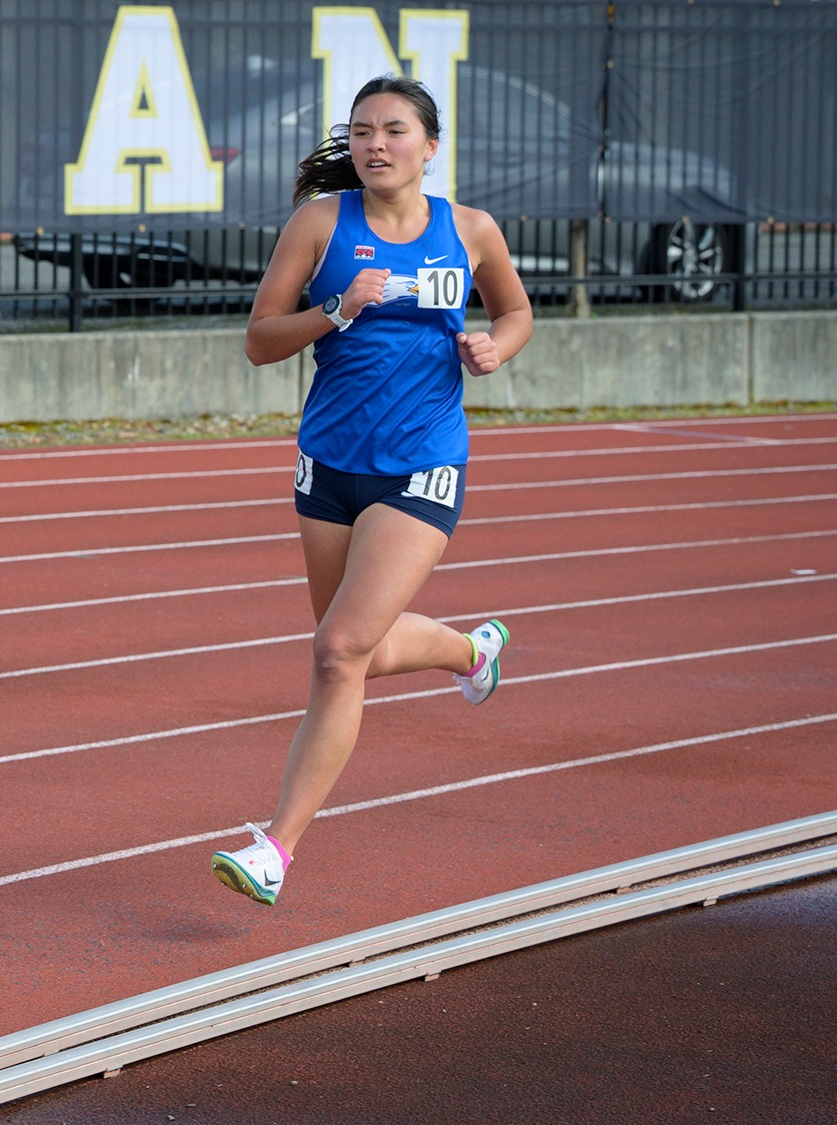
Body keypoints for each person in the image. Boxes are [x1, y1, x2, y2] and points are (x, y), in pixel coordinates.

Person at [209, 74, 533, 907]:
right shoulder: (322, 224)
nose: (375, 145)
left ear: (430, 146)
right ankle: (471, 650)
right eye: (361, 132)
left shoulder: (472, 230)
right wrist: (336, 311)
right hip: (330, 464)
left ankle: (277, 846)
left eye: (393, 131)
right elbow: (258, 341)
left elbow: (516, 313)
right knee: (356, 648)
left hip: (422, 463)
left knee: (336, 652)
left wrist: (496, 348)